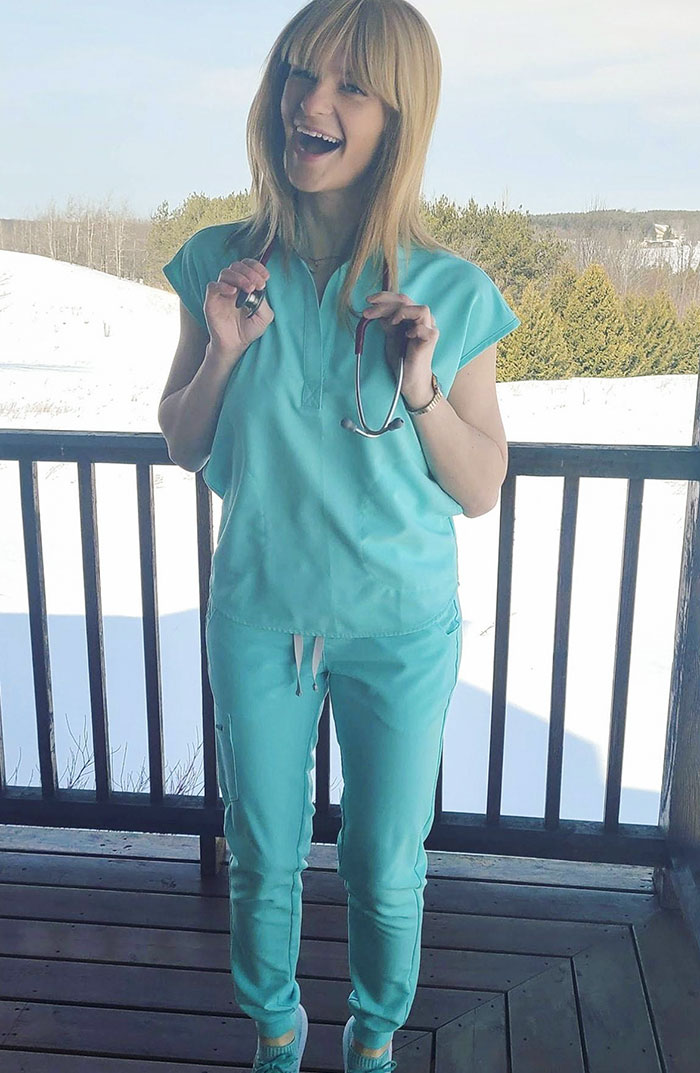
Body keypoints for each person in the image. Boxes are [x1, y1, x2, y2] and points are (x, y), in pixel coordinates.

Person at [158, 2, 520, 1071]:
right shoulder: (217, 262)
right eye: (298, 74)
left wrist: (422, 384)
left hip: (399, 626)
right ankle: (275, 1031)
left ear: (398, 118)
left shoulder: (449, 289)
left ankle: (373, 1039)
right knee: (262, 853)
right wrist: (222, 350)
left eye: (350, 86)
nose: (308, 104)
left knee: (385, 863)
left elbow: (480, 485)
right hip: (259, 612)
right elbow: (183, 439)